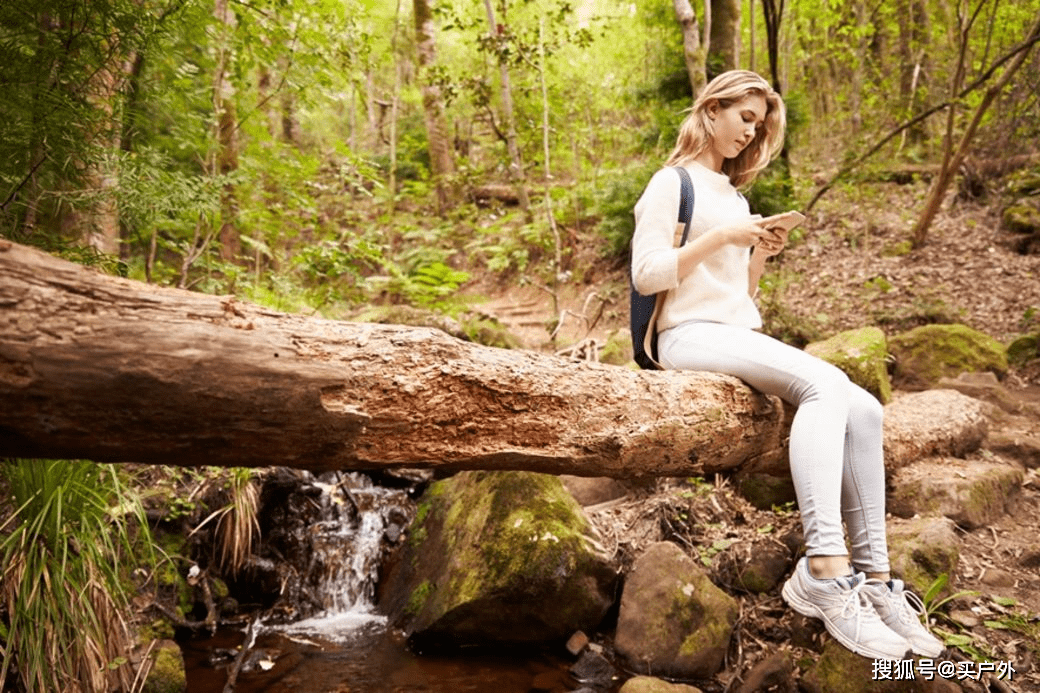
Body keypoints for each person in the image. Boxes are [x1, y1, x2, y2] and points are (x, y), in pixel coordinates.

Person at [630, 70, 943, 661]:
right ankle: (822, 571)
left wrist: (758, 256)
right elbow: (648, 273)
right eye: (745, 118)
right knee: (825, 382)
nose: (751, 134)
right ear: (713, 109)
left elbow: (739, 301)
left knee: (866, 407)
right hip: (683, 336)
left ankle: (875, 582)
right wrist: (723, 236)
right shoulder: (671, 183)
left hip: (729, 330)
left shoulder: (736, 197)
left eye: (760, 125)